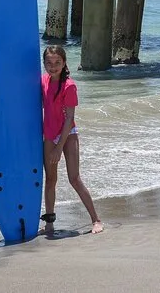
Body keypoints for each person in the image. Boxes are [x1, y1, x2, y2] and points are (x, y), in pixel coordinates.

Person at [40, 45, 103, 235]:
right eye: (49, 63)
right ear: (44, 64)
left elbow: (69, 119)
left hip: (68, 134)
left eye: (57, 62)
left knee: (74, 178)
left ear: (64, 63)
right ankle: (49, 224)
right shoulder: (43, 81)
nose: (53, 67)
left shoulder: (69, 86)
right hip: (49, 134)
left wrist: (59, 147)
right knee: (50, 180)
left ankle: (96, 220)